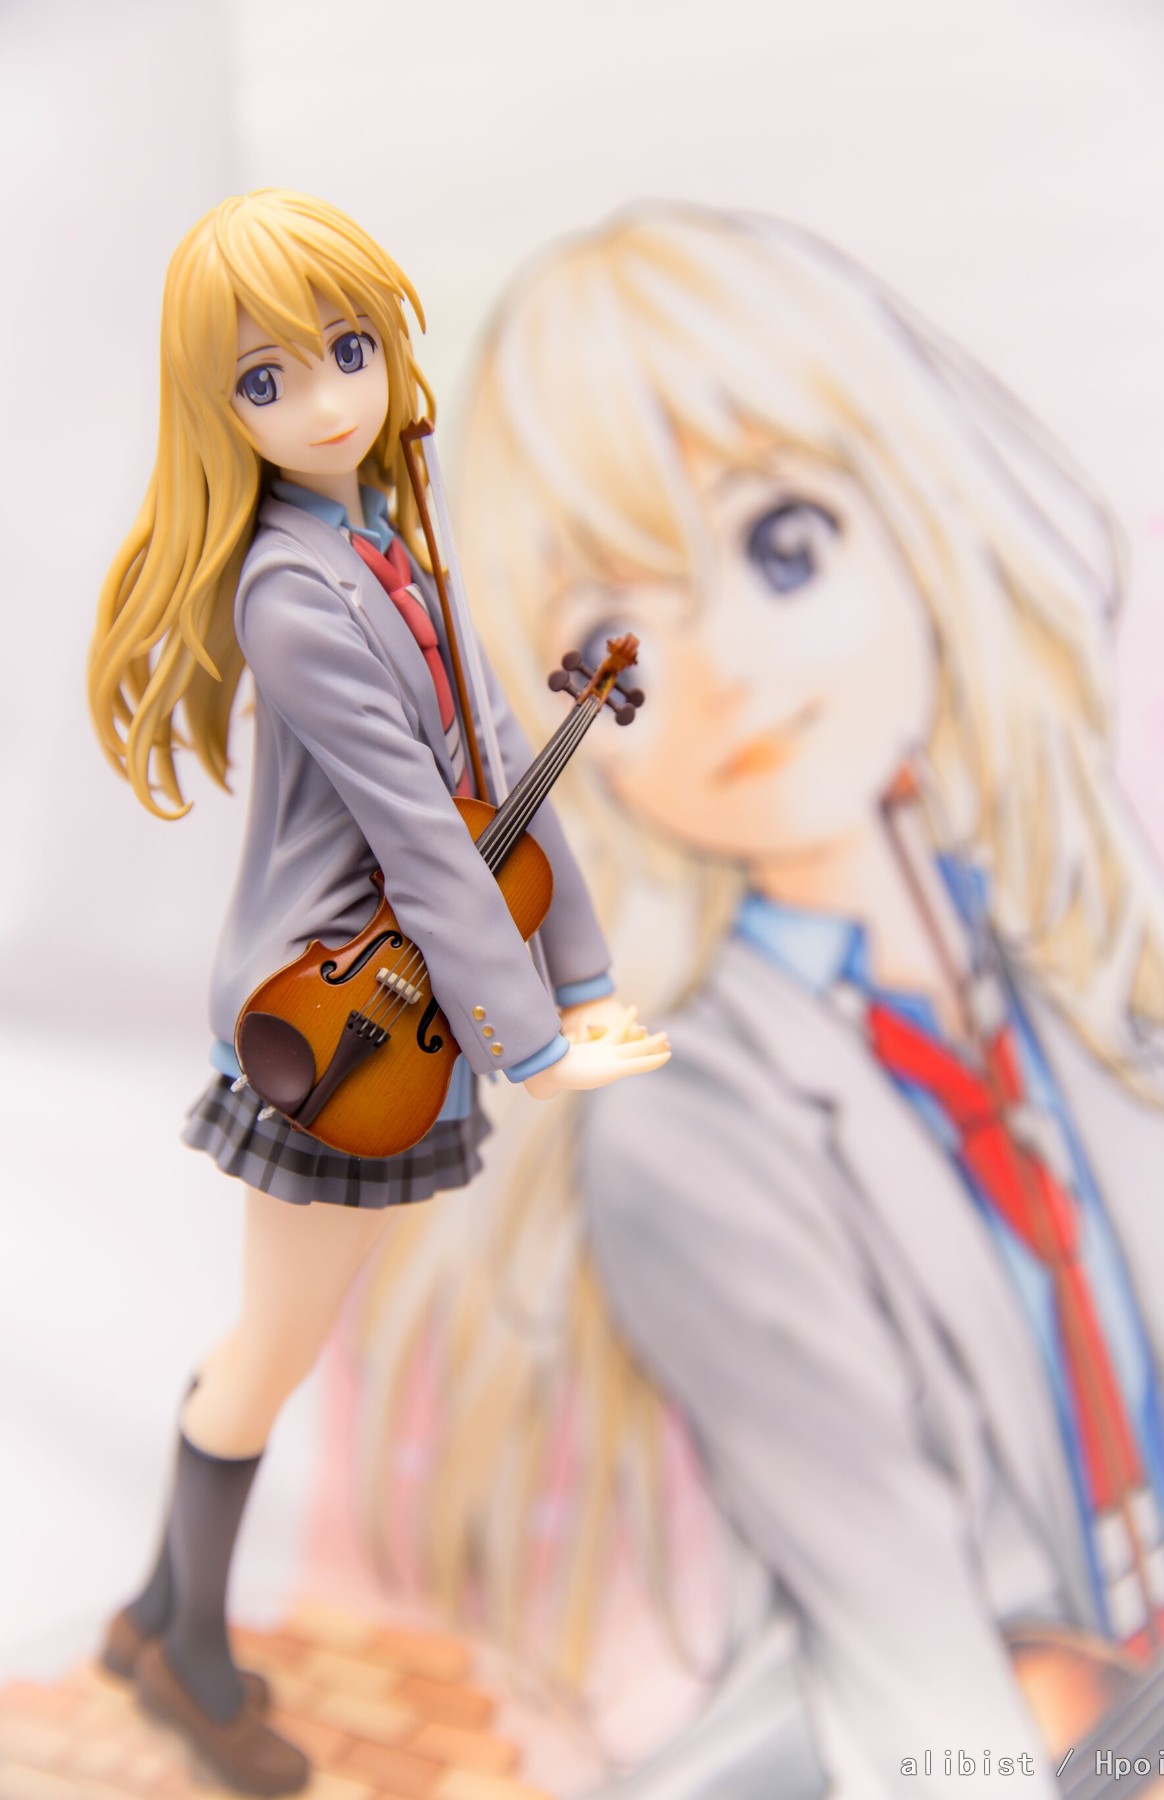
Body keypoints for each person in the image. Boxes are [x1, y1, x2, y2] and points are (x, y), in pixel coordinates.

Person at [347, 205, 1164, 1796]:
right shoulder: (687, 1133)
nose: (724, 666)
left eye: (783, 547)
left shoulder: (1102, 997)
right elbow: (914, 1667)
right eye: (612, 648)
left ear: (919, 521)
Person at [86, 188, 667, 1796]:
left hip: (409, 1013)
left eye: (348, 351)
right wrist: (531, 1042)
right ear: (219, 412)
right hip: (334, 1026)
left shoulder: (398, 548)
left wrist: (586, 976)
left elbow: (503, 777)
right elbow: (424, 839)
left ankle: (152, 1615)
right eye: (266, 381)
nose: (328, 401)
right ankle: (188, 1653)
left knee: (278, 1336)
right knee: (274, 1349)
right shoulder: (291, 595)